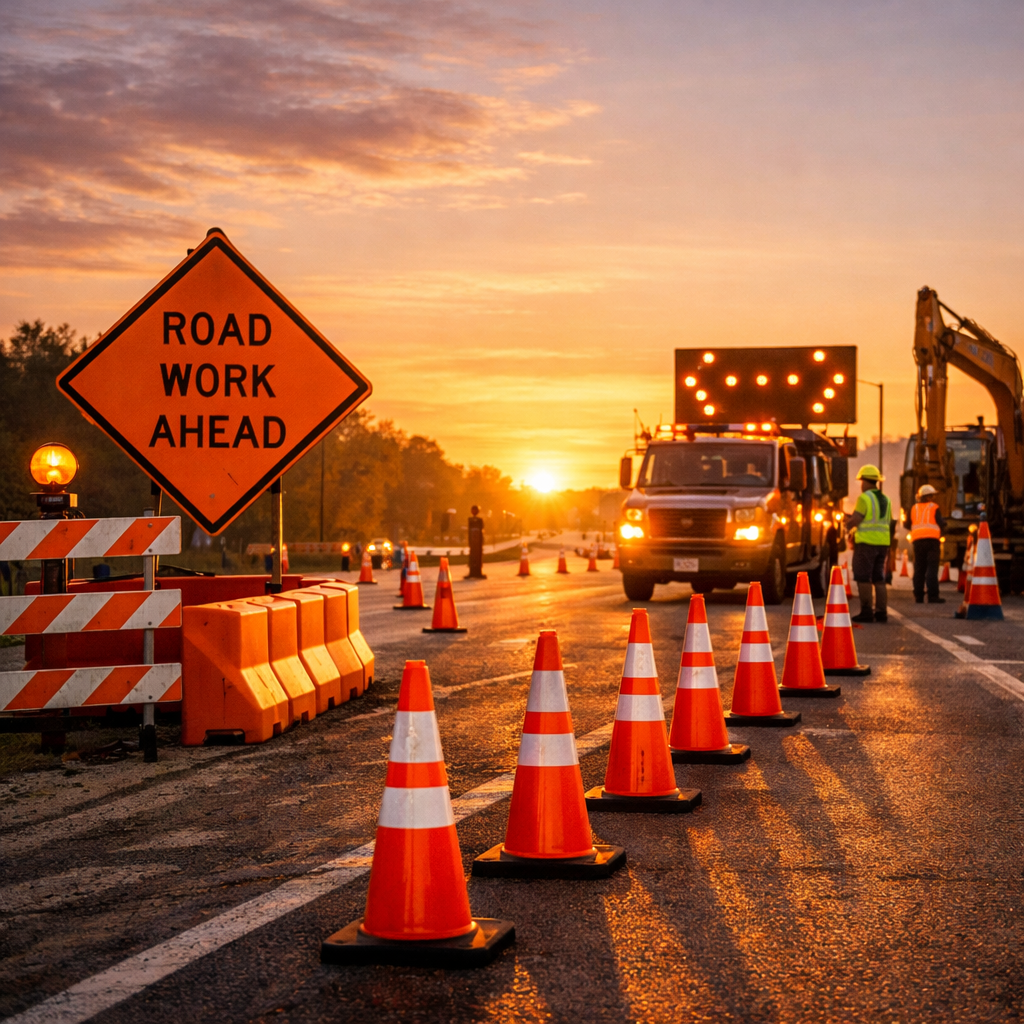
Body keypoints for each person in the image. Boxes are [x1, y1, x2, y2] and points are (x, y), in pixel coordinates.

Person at [844, 464, 896, 623]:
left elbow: (856, 519)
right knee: (878, 577)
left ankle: (866, 611)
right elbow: (889, 522)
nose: (861, 485)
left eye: (861, 481)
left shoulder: (864, 498)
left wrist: (847, 523)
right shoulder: (886, 499)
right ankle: (881, 612)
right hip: (883, 543)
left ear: (866, 482)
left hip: (866, 543)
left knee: (863, 576)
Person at [908, 484, 946, 604]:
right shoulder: (934, 507)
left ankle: (918, 596)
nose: (933, 498)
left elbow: (908, 523)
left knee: (919, 568)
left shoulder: (914, 508)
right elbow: (941, 523)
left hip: (918, 541)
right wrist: (943, 528)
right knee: (932, 568)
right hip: (932, 541)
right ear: (929, 497)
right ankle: (933, 596)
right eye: (932, 496)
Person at [466, 505, 486, 579]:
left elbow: (482, 530)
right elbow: (469, 530)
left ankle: (478, 572)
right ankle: (472, 571)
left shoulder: (480, 520)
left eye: (475, 510)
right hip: (473, 542)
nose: (474, 511)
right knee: (472, 556)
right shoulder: (470, 520)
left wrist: (481, 540)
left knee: (478, 556)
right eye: (473, 510)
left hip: (478, 542)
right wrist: (470, 540)